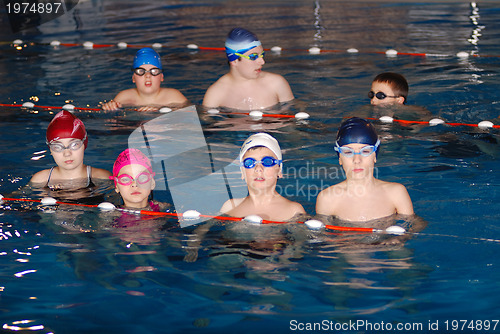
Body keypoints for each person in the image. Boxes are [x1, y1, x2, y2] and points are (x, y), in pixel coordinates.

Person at [316, 117, 414, 221]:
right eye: (348, 152)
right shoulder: (327, 199)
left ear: (375, 156)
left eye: (365, 151)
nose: (357, 160)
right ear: (340, 158)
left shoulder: (396, 193)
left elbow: (411, 230)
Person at [202, 27, 294, 110]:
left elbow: (293, 117)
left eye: (262, 55)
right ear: (234, 61)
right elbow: (207, 125)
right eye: (253, 57)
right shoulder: (216, 94)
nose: (262, 61)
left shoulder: (277, 83)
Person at [220, 132, 305, 221]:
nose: (258, 168)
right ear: (242, 172)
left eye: (267, 161)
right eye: (249, 163)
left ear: (279, 170)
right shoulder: (230, 207)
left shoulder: (293, 211)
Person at [30, 110, 111, 193]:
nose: (67, 153)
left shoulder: (102, 178)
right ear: (50, 150)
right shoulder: (40, 180)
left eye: (74, 145)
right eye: (57, 147)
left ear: (84, 145)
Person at [101, 47, 188, 112]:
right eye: (141, 71)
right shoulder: (124, 97)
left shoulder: (174, 96)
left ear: (161, 77)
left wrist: (159, 112)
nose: (147, 75)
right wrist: (109, 107)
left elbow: (190, 116)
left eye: (154, 71)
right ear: (133, 78)